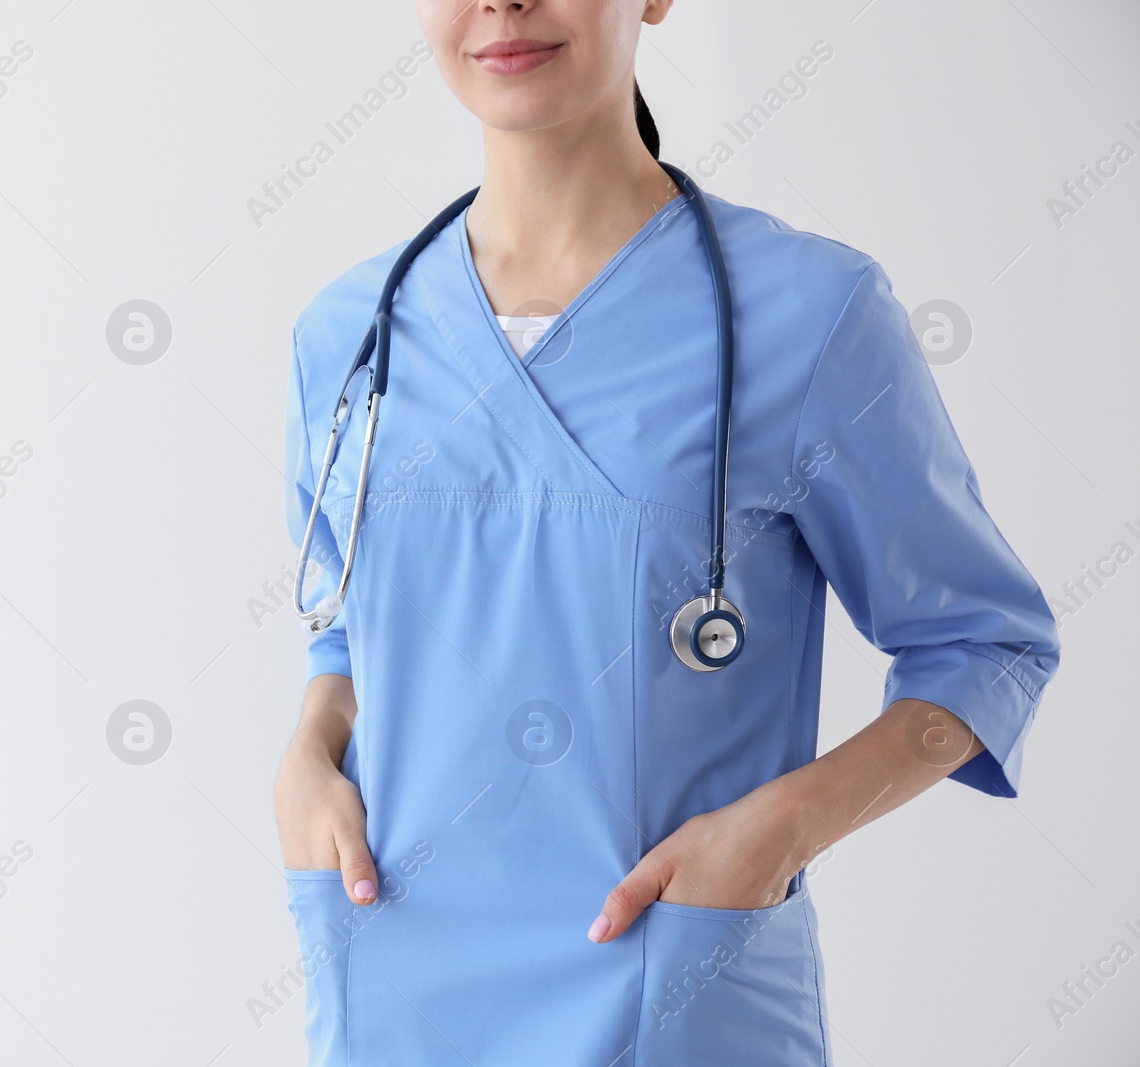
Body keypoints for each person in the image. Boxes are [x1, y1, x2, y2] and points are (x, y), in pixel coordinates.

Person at [274, 2, 1061, 1063]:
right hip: (395, 986)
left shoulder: (809, 313)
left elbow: (986, 643)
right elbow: (348, 629)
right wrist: (308, 752)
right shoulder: (349, 333)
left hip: (676, 990)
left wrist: (782, 828)